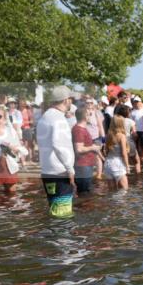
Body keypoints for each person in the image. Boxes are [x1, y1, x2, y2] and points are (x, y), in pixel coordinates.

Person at [36, 86, 76, 218]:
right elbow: (59, 145)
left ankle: (54, 236)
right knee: (63, 215)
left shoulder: (45, 117)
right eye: (71, 99)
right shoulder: (58, 119)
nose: (72, 102)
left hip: (48, 171)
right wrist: (69, 169)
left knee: (55, 210)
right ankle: (62, 238)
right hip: (60, 172)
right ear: (66, 100)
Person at [71, 107, 102, 194]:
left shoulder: (80, 128)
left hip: (85, 166)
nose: (90, 117)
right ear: (85, 116)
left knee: (86, 195)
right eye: (90, 114)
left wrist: (92, 146)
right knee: (84, 195)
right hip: (82, 167)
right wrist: (93, 147)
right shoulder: (79, 130)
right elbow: (79, 149)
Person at [103, 115, 131, 191]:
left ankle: (112, 203)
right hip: (118, 164)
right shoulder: (121, 136)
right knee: (124, 191)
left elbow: (105, 151)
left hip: (108, 164)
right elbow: (124, 153)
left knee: (111, 191)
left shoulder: (108, 136)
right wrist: (127, 166)